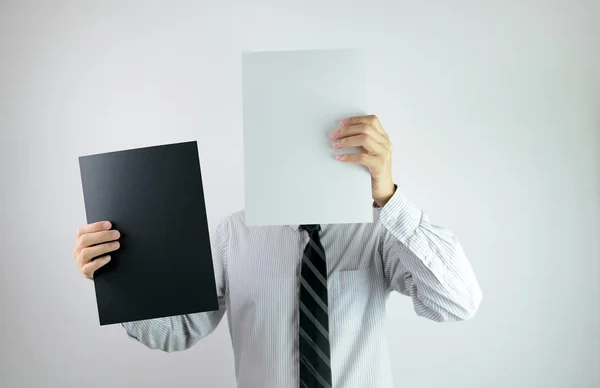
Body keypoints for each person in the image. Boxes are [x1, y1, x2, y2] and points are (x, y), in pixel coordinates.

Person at [72, 115, 482, 388]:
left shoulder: (378, 227)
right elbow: (175, 332)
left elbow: (457, 303)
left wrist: (388, 196)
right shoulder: (233, 233)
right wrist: (118, 275)